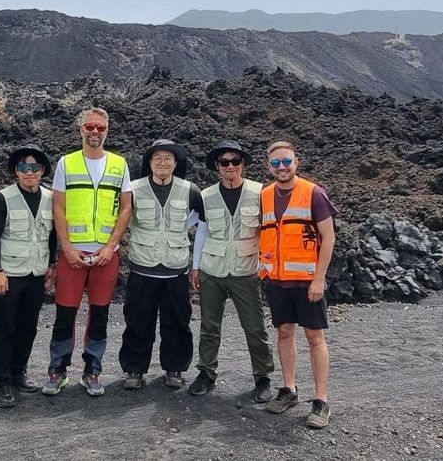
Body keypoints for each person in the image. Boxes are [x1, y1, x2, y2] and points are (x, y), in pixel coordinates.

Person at [43, 107, 132, 397]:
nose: (95, 132)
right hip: (74, 256)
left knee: (100, 314)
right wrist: (66, 248)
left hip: (106, 256)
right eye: (90, 127)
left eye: (101, 128)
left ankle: (92, 370)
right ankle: (58, 369)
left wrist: (110, 248)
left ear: (107, 131)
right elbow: (59, 207)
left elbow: (126, 208)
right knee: (65, 314)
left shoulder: (119, 164)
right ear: (80, 129)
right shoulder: (66, 164)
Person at [187, 140, 275, 402]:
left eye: (235, 161)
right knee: (209, 325)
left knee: (255, 327)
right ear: (217, 166)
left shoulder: (260, 193)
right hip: (212, 269)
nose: (230, 166)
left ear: (243, 164)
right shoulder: (206, 196)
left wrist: (266, 265)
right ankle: (206, 372)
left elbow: (268, 232)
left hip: (245, 269)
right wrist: (195, 266)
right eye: (224, 162)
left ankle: (262, 377)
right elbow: (201, 231)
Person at [259, 140, 337, 429]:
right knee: (284, 333)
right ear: (269, 166)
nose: (282, 167)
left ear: (296, 162)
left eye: (286, 162)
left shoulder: (313, 193)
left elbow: (328, 237)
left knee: (315, 338)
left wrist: (319, 278)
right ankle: (289, 389)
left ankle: (321, 400)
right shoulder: (265, 195)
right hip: (278, 281)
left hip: (307, 282)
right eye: (276, 163)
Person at [118, 139, 203, 390]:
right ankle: (134, 369)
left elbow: (203, 222)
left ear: (176, 163)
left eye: (168, 158)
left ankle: (174, 368)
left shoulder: (190, 190)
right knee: (137, 319)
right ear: (149, 163)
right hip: (142, 267)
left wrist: (194, 260)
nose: (163, 163)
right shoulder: (132, 189)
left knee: (177, 320)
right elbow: (120, 219)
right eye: (157, 159)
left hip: (175, 269)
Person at [0, 144, 58, 408]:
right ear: (16, 171)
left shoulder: (50, 198)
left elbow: (52, 234)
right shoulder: (2, 199)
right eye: (24, 167)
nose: (30, 172)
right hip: (9, 275)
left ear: (42, 171)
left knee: (28, 326)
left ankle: (18, 372)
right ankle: (1, 382)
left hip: (36, 274)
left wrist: (52, 264)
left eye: (34, 167)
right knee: (4, 329)